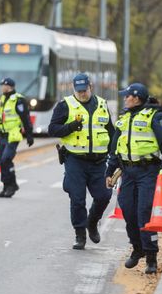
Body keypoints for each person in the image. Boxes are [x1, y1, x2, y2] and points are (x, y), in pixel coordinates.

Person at [105, 83, 162, 274]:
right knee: (128, 211)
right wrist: (110, 171)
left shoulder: (156, 117)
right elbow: (115, 148)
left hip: (148, 171)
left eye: (126, 96)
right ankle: (137, 249)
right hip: (127, 172)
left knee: (144, 213)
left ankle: (151, 257)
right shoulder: (124, 118)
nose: (124, 99)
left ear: (135, 98)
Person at [48, 73, 115, 250]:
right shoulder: (65, 105)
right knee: (77, 199)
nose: (82, 94)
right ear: (73, 89)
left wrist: (116, 155)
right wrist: (70, 127)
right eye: (78, 91)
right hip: (75, 160)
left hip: (99, 161)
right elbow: (52, 129)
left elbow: (111, 131)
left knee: (104, 196)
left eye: (84, 90)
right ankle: (80, 234)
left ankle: (92, 222)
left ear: (90, 87)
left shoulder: (101, 104)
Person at [0, 77, 34, 198]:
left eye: (3, 85)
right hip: (3, 135)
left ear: (9, 86)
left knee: (6, 159)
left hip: (14, 135)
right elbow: (2, 118)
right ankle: (6, 186)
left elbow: (25, 118)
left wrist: (29, 135)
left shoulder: (19, 100)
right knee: (2, 160)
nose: (1, 87)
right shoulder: (2, 99)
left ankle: (12, 185)